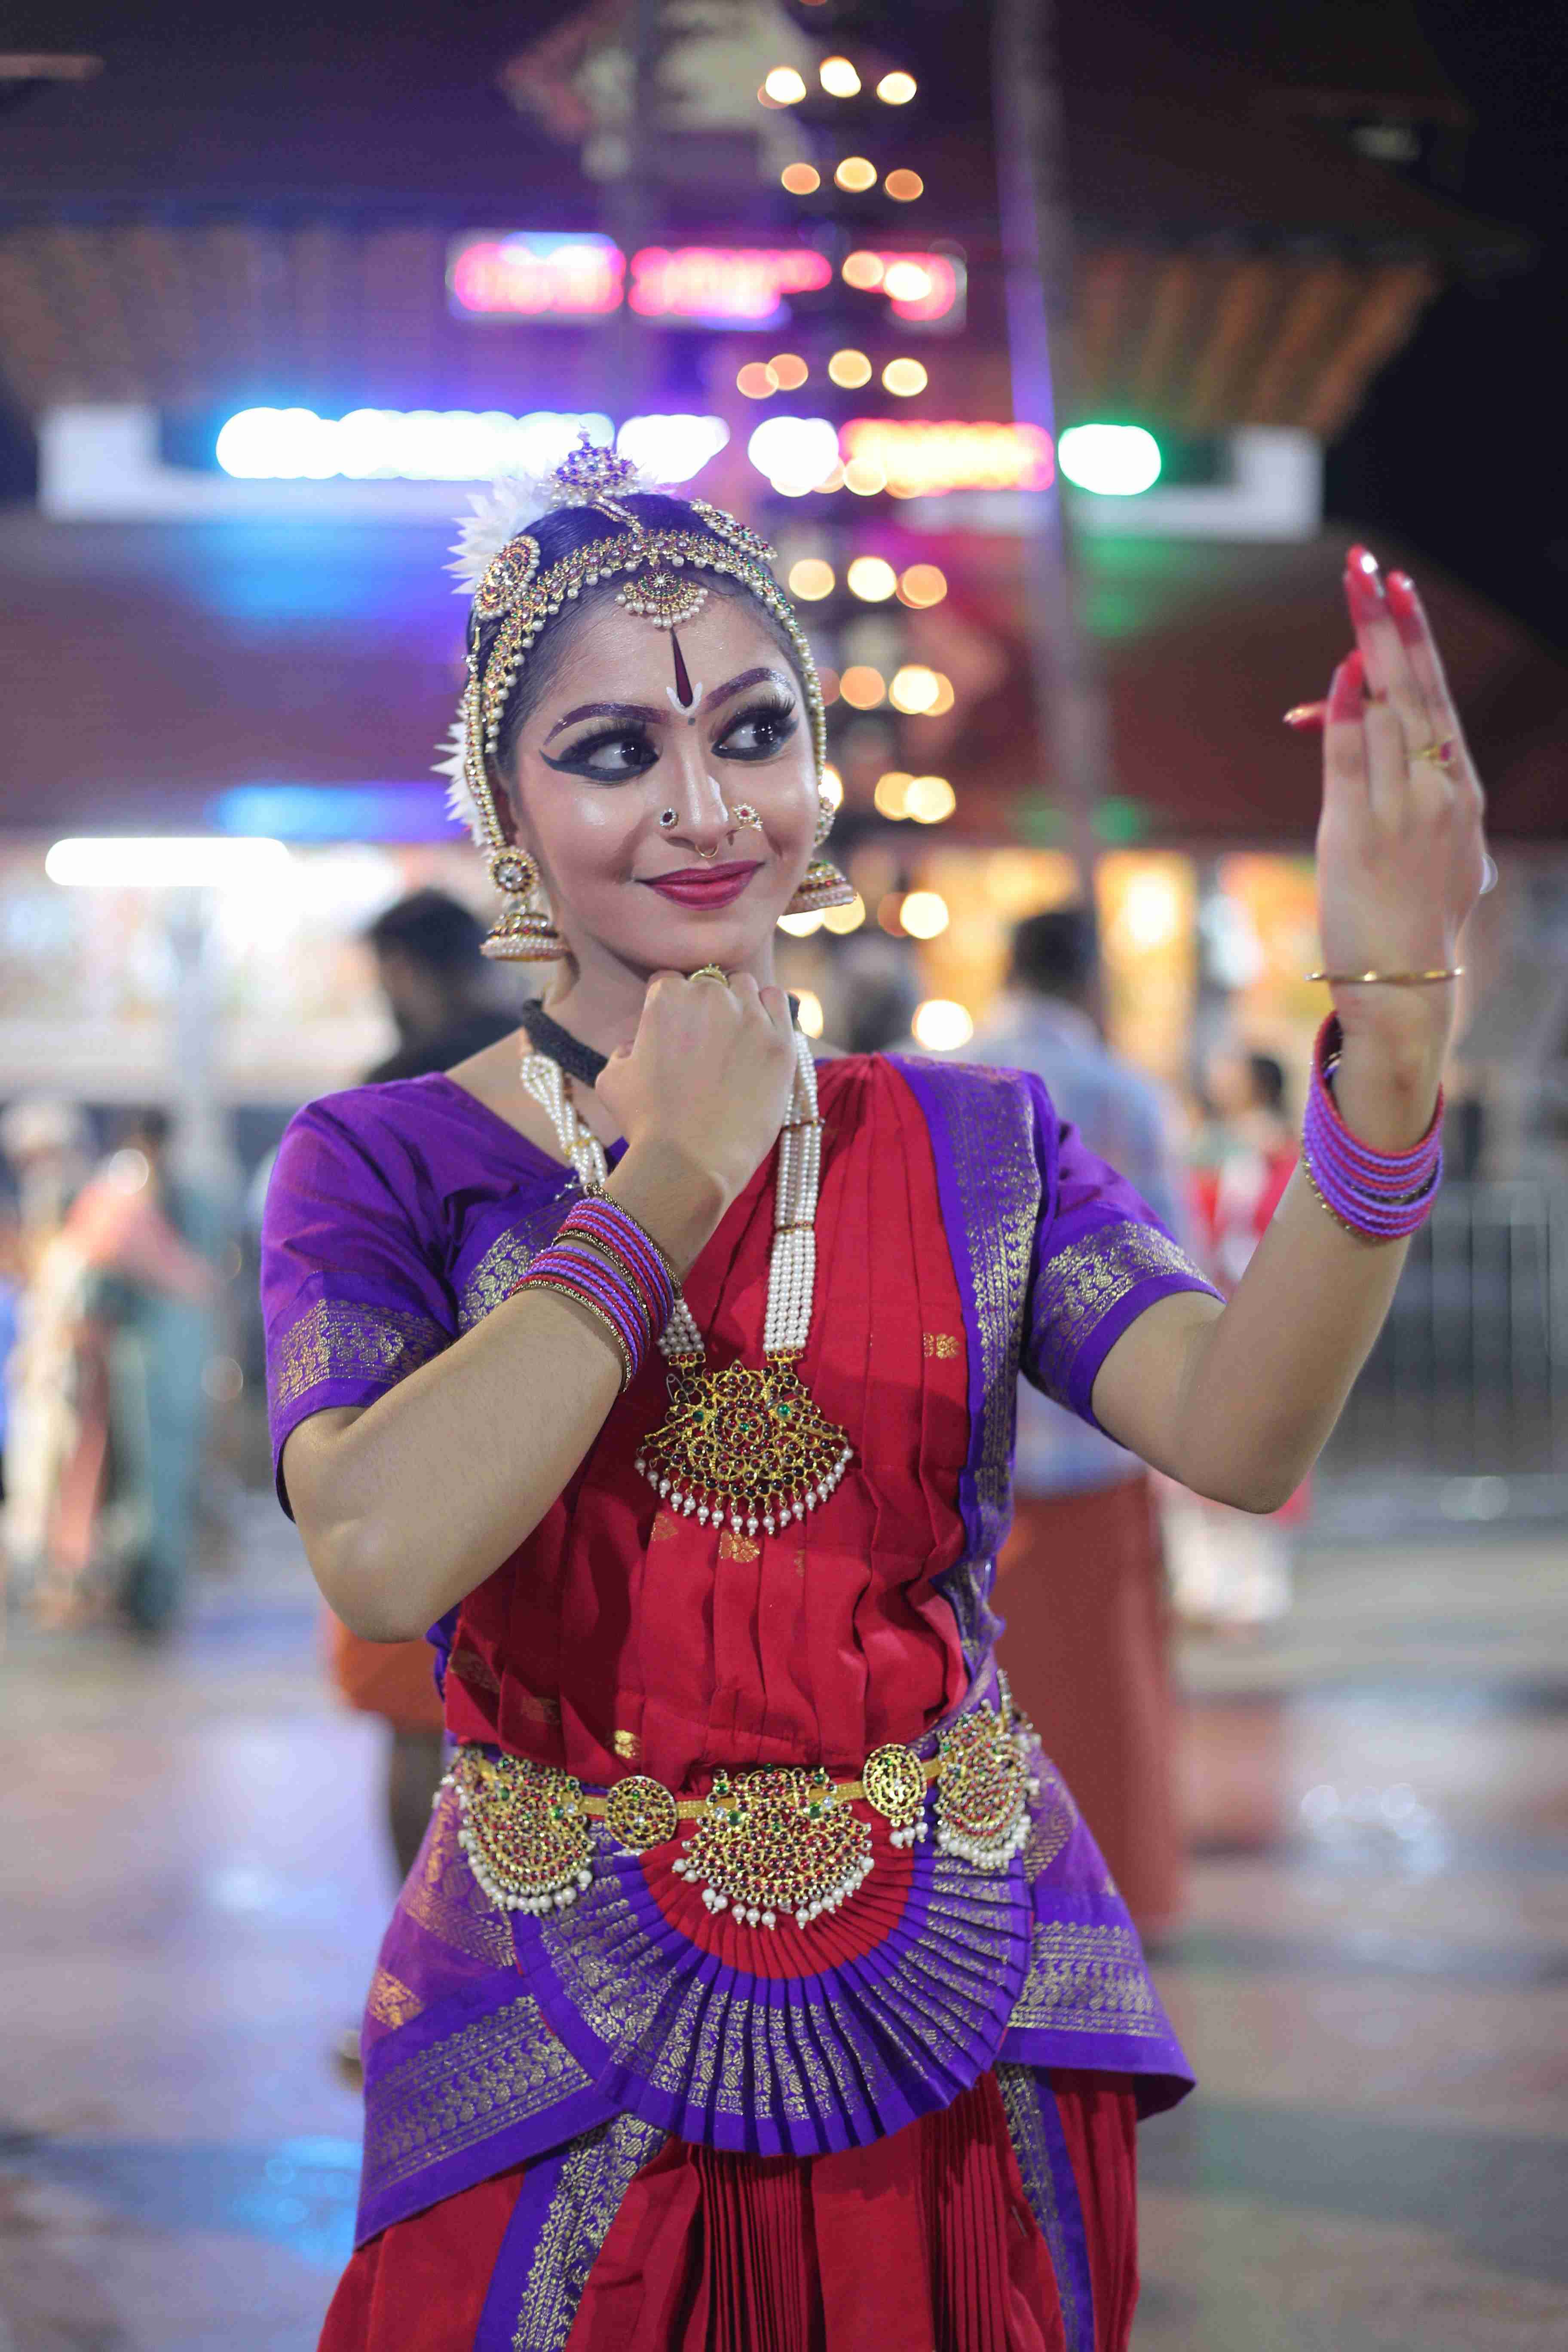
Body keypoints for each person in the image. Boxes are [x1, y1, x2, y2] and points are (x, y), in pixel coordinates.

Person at [260, 452, 1482, 2350]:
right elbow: (380, 1548)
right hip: (546, 2010)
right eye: (611, 751)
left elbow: (1243, 1430)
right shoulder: (386, 1162)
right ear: (503, 804)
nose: (702, 806)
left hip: (961, 2000)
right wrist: (672, 1173)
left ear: (819, 769)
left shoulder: (975, 1141)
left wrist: (1389, 1038)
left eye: (753, 731)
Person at [321, 891, 522, 2075]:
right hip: (556, 1452)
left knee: (412, 1726)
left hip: (416, 1452)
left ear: (402, 965)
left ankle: (430, 2001)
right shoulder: (557, 1066)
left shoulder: (385, 1098)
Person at [973, 910, 1191, 1943]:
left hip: (970, 1450)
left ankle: (987, 1903)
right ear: (1090, 978)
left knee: (980, 1687)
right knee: (1110, 1690)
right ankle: (1116, 1898)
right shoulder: (1126, 1095)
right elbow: (1175, 1273)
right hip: (1099, 1440)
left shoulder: (944, 1081)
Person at [1166, 1047, 1308, 1631]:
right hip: (1206, 1305)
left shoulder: (1282, 1153)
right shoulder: (1206, 1146)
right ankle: (1203, 1585)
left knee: (1260, 1444)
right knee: (1190, 1443)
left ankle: (1258, 1589)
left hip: (1265, 1310)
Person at [361, 887, 519, 1084]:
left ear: (402, 970)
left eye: (384, 971)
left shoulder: (398, 1083)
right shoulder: (531, 1043)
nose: (382, 987)